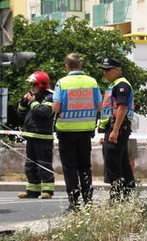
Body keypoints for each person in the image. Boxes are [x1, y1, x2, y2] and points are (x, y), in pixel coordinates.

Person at [52, 53, 101, 211]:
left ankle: (74, 202)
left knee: (70, 168)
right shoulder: (92, 82)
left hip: (66, 131)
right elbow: (99, 105)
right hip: (86, 130)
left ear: (67, 66)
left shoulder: (62, 83)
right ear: (81, 66)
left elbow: (56, 107)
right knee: (85, 167)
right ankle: (88, 200)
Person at [98, 57, 135, 202]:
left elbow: (122, 108)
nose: (105, 72)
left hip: (117, 128)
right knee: (123, 163)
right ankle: (127, 195)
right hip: (114, 128)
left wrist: (115, 131)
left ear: (118, 70)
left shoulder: (122, 85)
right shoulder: (114, 84)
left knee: (113, 164)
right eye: (104, 69)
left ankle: (116, 197)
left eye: (108, 69)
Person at [16, 71, 55, 199]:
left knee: (44, 164)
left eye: (34, 85)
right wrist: (23, 102)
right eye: (31, 85)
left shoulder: (50, 97)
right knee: (30, 165)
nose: (31, 87)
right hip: (31, 137)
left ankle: (47, 191)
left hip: (43, 138)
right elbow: (21, 114)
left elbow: (45, 112)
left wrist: (32, 102)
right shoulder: (32, 97)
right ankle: (32, 191)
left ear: (41, 85)